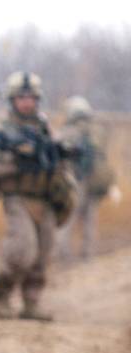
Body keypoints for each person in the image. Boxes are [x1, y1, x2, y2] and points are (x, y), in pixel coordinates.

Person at [0, 71, 75, 321]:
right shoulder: (3, 132)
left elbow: (59, 163)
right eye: (21, 97)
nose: (26, 102)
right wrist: (20, 163)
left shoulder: (46, 129)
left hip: (46, 199)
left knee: (43, 255)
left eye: (31, 97)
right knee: (22, 251)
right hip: (18, 198)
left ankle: (31, 303)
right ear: (12, 100)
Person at [55, 95, 116, 261]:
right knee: (90, 219)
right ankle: (87, 255)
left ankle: (64, 254)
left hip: (76, 180)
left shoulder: (68, 131)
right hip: (95, 180)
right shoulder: (97, 129)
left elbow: (58, 152)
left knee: (69, 217)